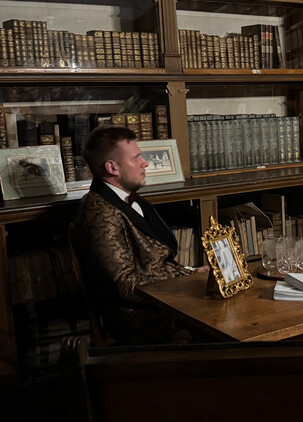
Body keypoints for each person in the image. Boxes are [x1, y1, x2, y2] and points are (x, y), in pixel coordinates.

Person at [72, 126, 208, 345]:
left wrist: (191, 272)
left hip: (165, 303)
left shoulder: (130, 199)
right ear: (112, 167)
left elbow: (157, 263)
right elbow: (125, 285)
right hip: (141, 320)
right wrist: (186, 280)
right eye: (136, 158)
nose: (145, 163)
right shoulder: (98, 213)